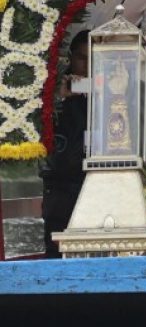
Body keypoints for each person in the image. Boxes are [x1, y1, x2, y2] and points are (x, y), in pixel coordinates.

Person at [40, 30, 89, 257]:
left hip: (94, 178)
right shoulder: (55, 88)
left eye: (94, 59)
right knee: (57, 247)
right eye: (82, 58)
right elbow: (43, 129)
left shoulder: (113, 88)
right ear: (70, 58)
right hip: (61, 182)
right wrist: (61, 99)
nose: (88, 65)